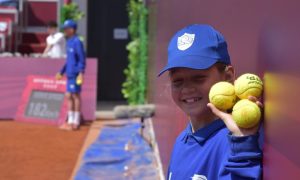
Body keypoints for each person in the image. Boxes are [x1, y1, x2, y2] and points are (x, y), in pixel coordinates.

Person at [158, 24, 263, 179]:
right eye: (178, 81)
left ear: (228, 77)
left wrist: (243, 143)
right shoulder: (181, 140)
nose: (187, 89)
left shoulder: (236, 143)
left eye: (198, 78)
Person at [56, 19, 86, 131]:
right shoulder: (69, 42)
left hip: (75, 73)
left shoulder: (77, 42)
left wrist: (80, 73)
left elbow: (82, 59)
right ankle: (70, 120)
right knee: (69, 96)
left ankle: (75, 122)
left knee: (75, 95)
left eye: (66, 28)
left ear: (72, 30)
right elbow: (68, 60)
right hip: (69, 73)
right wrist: (61, 71)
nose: (65, 30)